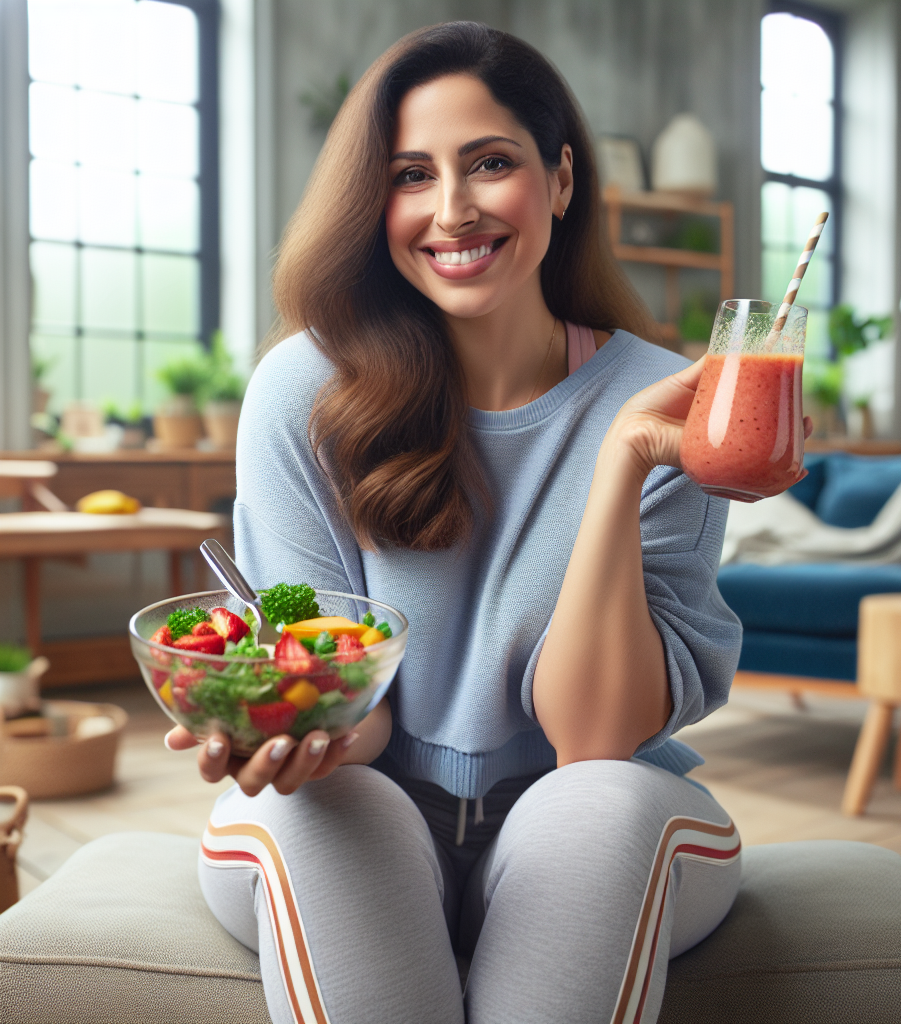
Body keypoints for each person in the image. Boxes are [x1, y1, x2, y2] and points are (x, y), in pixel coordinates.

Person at [168, 22, 748, 1024]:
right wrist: (294, 728)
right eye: (409, 174)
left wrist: (617, 461)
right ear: (373, 200)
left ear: (560, 179)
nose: (452, 209)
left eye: (490, 162)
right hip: (367, 792)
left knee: (595, 807)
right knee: (322, 811)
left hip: (590, 800)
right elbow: (355, 706)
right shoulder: (302, 390)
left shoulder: (664, 401)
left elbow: (596, 736)